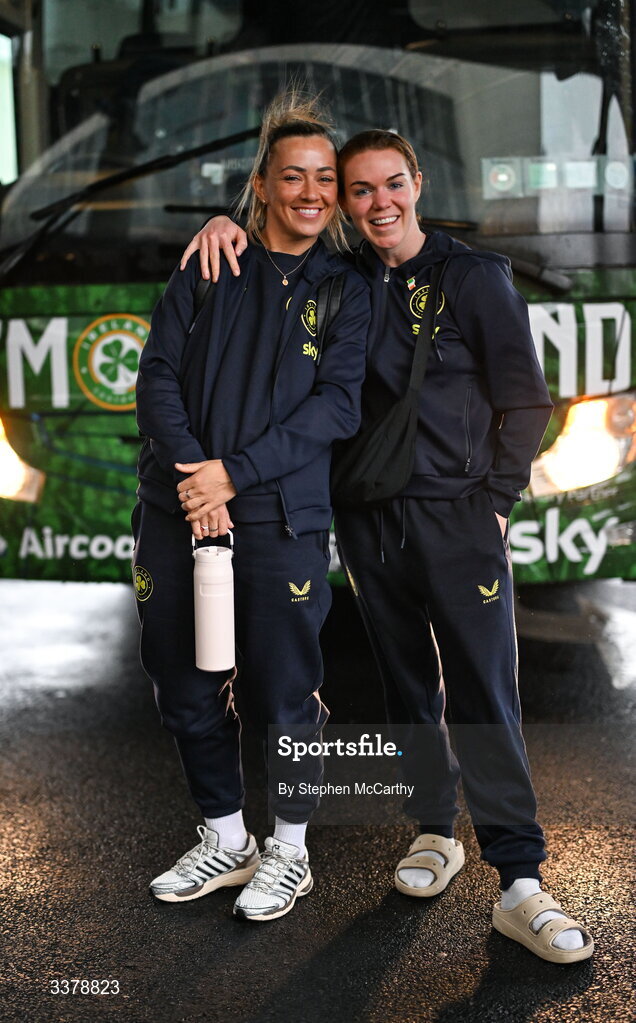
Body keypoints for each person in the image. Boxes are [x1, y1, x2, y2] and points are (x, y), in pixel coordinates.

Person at [179, 128, 594, 962]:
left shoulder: (472, 278)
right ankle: (433, 831)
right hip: (370, 520)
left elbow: (527, 400)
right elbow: (271, 261)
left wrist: (497, 502)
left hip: (457, 519)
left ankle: (519, 881)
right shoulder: (344, 279)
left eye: (392, 185)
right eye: (360, 190)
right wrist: (224, 225)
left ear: (418, 183)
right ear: (343, 201)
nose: (379, 203)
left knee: (484, 688)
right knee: (407, 682)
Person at [132, 92, 370, 922]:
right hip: (178, 512)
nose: (311, 192)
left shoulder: (347, 288)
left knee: (283, 694)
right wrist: (195, 476)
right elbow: (157, 375)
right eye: (293, 177)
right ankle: (228, 840)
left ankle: (289, 852)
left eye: (326, 180)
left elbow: (337, 407)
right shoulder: (211, 261)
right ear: (260, 186)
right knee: (188, 686)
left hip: (279, 522)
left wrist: (230, 475)